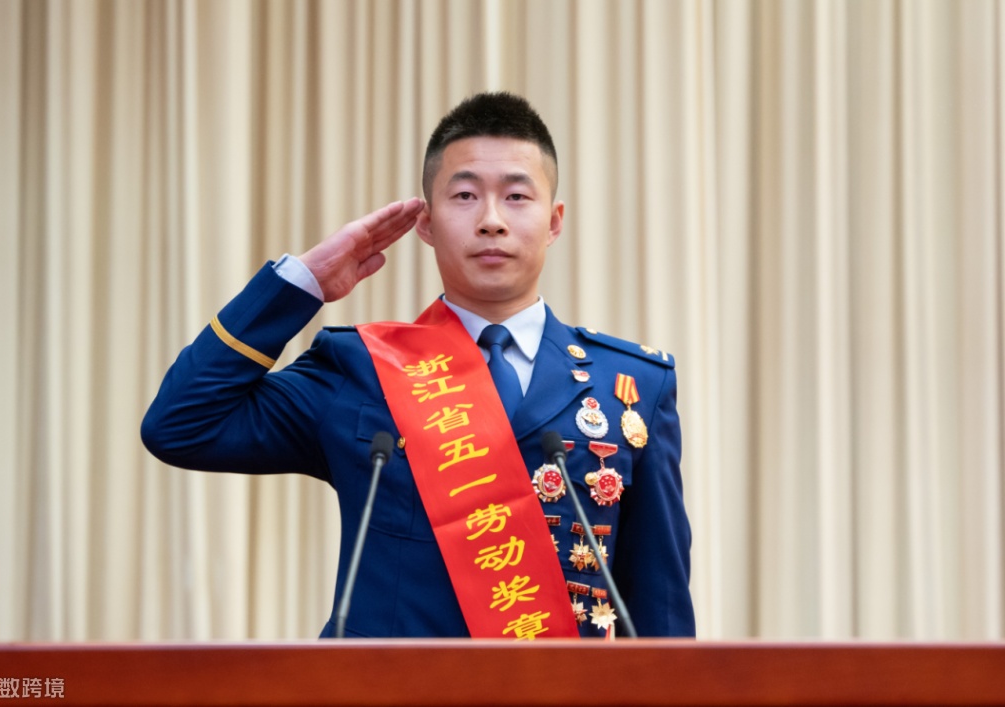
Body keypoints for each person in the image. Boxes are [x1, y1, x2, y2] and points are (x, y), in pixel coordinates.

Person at [142, 92, 694, 640]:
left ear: (554, 222)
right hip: (389, 685)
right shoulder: (363, 369)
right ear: (425, 223)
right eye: (465, 196)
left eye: (517, 196)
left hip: (556, 686)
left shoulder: (630, 387)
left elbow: (659, 606)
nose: (492, 221)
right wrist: (301, 284)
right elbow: (182, 425)